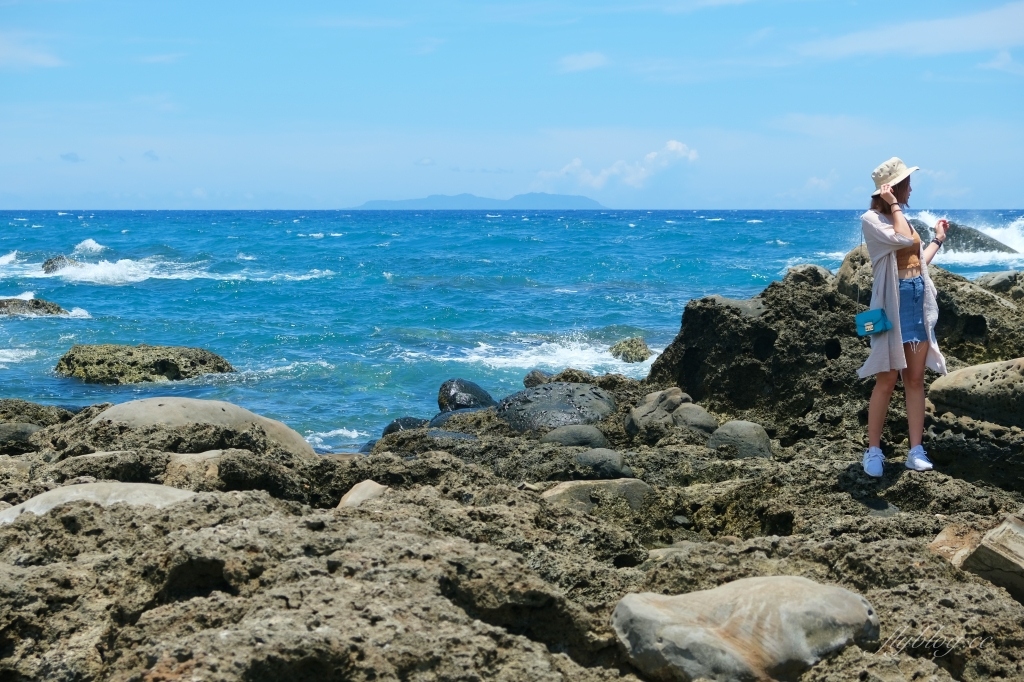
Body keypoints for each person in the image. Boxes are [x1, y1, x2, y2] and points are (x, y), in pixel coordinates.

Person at [857, 157, 949, 477]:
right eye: (906, 183)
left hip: (916, 301)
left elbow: (915, 260)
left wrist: (936, 239)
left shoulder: (901, 219)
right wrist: (894, 204)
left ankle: (915, 449)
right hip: (890, 306)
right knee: (886, 379)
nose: (911, 188)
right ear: (892, 188)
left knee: (914, 379)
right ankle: (873, 451)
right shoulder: (872, 219)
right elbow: (898, 240)